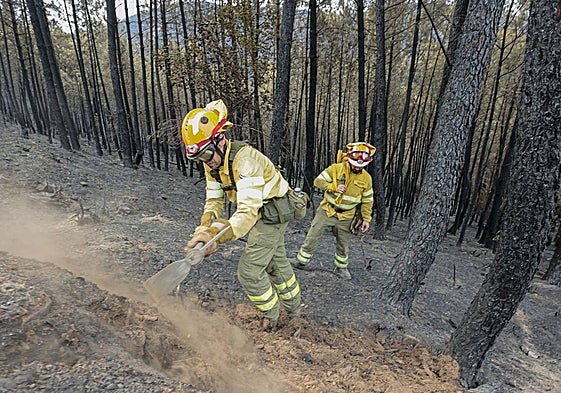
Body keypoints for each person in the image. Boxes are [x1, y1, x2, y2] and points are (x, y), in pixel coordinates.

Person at [181, 99, 301, 329]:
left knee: (249, 272)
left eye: (206, 156)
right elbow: (214, 201)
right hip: (259, 210)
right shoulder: (212, 163)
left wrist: (216, 236)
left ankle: (273, 318)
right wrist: (204, 230)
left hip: (271, 212)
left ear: (220, 139)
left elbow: (247, 213)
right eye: (199, 159)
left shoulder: (246, 162)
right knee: (276, 264)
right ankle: (294, 312)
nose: (206, 163)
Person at [292, 142, 375, 280]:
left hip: (347, 215)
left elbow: (367, 200)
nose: (356, 167)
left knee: (343, 243)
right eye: (355, 163)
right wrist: (333, 187)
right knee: (313, 234)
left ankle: (341, 268)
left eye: (360, 165)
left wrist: (366, 219)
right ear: (349, 158)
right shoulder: (336, 169)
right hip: (327, 210)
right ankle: (301, 261)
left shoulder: (367, 179)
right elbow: (317, 182)